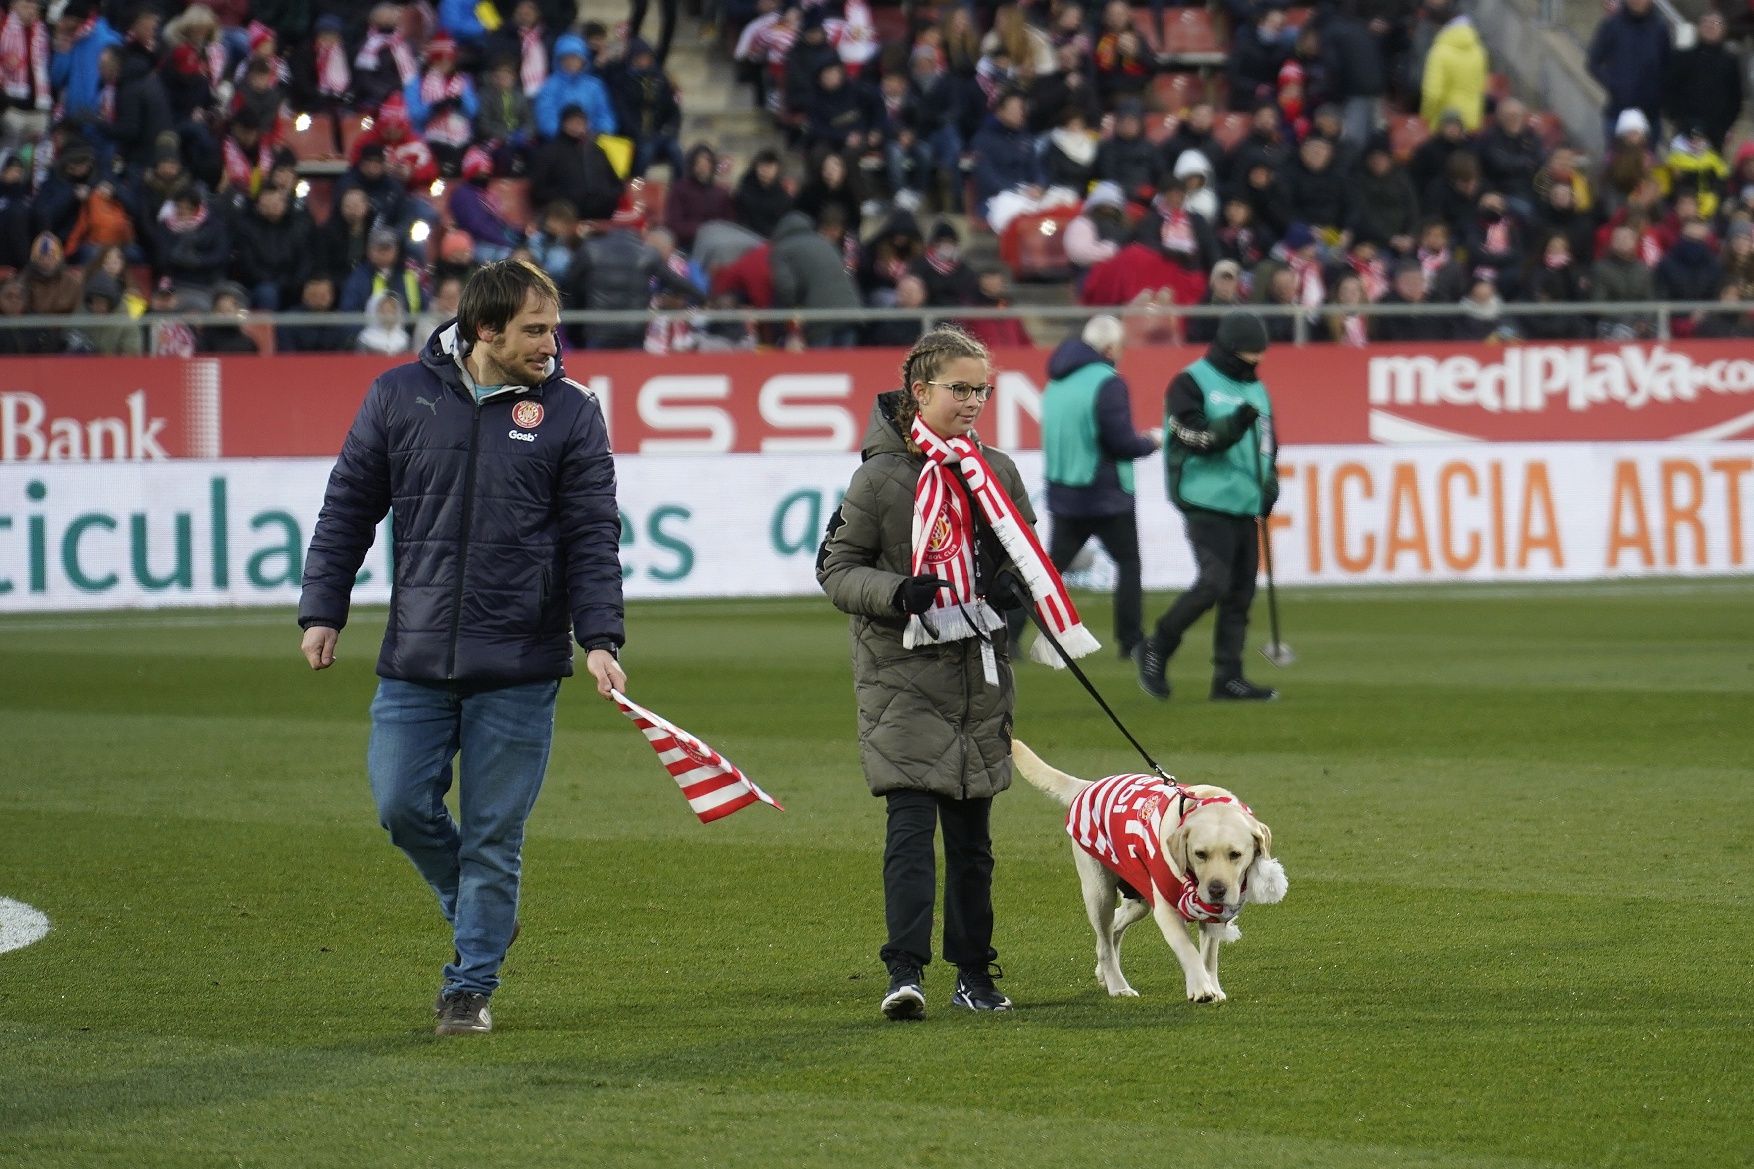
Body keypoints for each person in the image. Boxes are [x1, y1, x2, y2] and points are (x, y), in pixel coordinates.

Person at [298, 259, 626, 1038]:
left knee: (492, 834)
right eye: (535, 330)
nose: (553, 345)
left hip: (520, 662)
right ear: (485, 330)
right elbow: (347, 506)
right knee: (400, 805)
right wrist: (323, 608)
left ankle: (468, 984)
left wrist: (601, 638)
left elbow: (592, 537)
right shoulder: (396, 396)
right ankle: (480, 911)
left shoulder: (574, 414)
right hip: (414, 656)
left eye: (554, 328)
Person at [816, 326, 1077, 1022]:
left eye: (981, 389)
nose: (973, 401)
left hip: (977, 671)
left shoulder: (997, 470)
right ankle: (904, 970)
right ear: (919, 390)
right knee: (909, 827)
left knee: (972, 840)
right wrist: (900, 592)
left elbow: (1025, 557)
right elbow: (837, 570)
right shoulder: (879, 475)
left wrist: (1009, 589)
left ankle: (974, 971)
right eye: (960, 388)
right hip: (901, 672)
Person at [1136, 311, 1280, 704]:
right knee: (1213, 582)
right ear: (1230, 350)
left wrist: (1270, 484)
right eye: (1248, 356)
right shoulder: (1190, 382)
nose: (1253, 364)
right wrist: (1234, 424)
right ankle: (1158, 645)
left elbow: (1268, 443)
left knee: (1240, 592)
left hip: (1244, 500)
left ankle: (1228, 677)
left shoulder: (1258, 389)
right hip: (1203, 497)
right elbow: (1196, 436)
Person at [1040, 315, 1160, 660]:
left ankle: (1011, 633)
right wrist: (1150, 443)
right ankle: (1130, 640)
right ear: (1110, 348)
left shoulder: (1056, 383)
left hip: (1065, 491)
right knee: (1128, 563)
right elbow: (1120, 442)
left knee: (1047, 572)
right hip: (1105, 491)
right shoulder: (1108, 382)